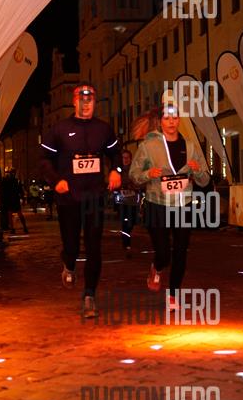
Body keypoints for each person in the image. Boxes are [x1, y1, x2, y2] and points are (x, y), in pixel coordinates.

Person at [40, 83, 121, 318]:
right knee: (72, 246)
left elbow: (116, 153)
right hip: (68, 197)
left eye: (90, 100)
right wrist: (55, 180)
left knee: (94, 246)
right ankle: (69, 263)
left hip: (94, 196)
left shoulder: (103, 129)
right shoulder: (59, 129)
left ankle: (89, 295)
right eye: (82, 100)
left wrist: (115, 170)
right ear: (74, 102)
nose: (86, 105)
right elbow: (44, 159)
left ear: (95, 102)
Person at [130, 104, 210, 309]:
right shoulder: (148, 146)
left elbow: (204, 180)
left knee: (181, 251)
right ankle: (157, 267)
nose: (172, 122)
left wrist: (197, 171)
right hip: (157, 204)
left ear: (179, 120)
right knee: (164, 252)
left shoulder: (191, 146)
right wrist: (148, 174)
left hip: (183, 205)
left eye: (175, 118)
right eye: (167, 118)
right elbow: (134, 175)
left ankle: (173, 295)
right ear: (161, 122)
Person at [115, 149, 140, 257]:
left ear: (130, 159)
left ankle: (127, 239)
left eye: (127, 157)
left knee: (131, 223)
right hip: (122, 202)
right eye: (123, 157)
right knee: (125, 223)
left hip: (133, 202)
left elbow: (140, 181)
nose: (125, 159)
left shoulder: (134, 170)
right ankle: (126, 244)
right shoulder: (117, 170)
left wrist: (134, 186)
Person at [0, 169, 28, 234]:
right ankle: (23, 227)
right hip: (14, 198)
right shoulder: (16, 181)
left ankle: (13, 229)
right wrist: (23, 198)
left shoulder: (7, 181)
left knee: (11, 214)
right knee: (17, 213)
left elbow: (4, 190)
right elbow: (20, 190)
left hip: (10, 199)